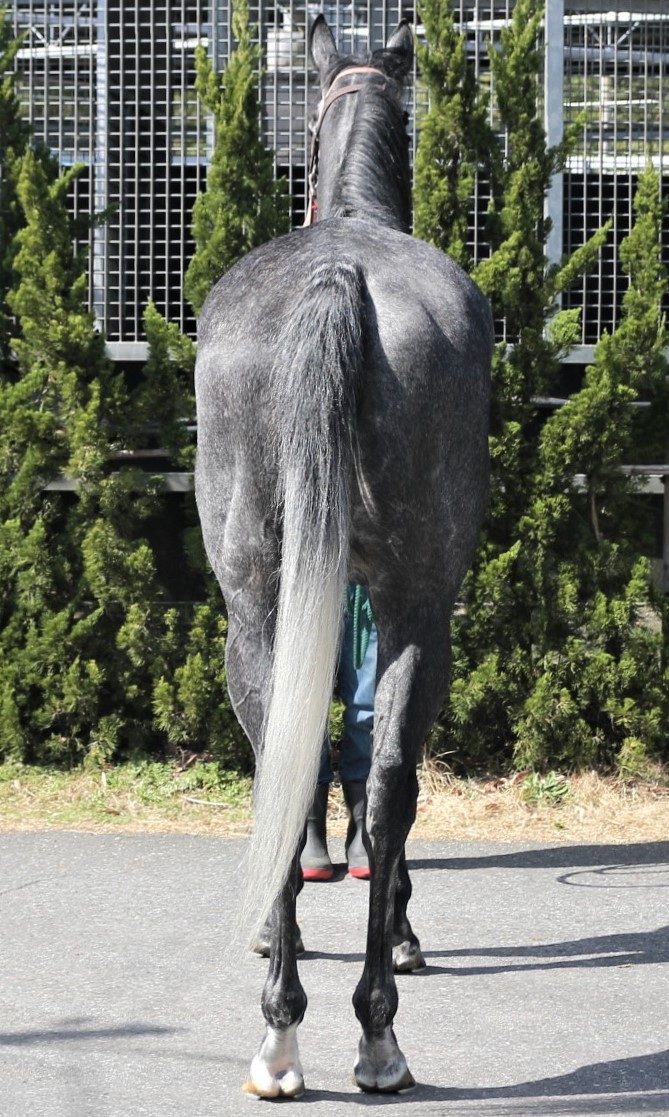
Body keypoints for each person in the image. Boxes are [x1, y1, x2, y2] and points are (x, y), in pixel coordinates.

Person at [301, 584, 376, 882]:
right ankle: (311, 827)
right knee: (307, 709)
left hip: (366, 585)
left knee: (367, 709)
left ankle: (363, 826)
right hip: (309, 583)